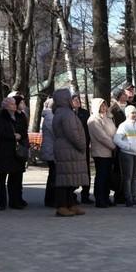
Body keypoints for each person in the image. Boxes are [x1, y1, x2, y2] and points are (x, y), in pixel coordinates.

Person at [52, 89, 88, 217]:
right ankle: (62, 206)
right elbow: (72, 133)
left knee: (70, 179)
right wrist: (81, 145)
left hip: (67, 149)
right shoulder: (66, 114)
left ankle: (70, 204)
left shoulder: (61, 112)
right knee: (65, 179)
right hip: (68, 149)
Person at [0, 97, 28, 210]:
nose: (14, 106)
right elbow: (1, 132)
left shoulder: (19, 116)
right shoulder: (2, 117)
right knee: (2, 177)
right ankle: (2, 202)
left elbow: (24, 131)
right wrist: (13, 136)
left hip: (16, 151)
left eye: (15, 104)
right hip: (5, 150)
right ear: (6, 106)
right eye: (12, 104)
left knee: (15, 177)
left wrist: (21, 136)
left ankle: (15, 201)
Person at [87, 98, 117, 208]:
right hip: (100, 151)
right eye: (101, 106)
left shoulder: (109, 117)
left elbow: (114, 131)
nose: (103, 108)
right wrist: (114, 146)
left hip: (110, 151)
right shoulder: (93, 119)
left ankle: (106, 197)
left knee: (108, 175)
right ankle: (99, 199)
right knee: (101, 175)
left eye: (105, 105)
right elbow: (101, 137)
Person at [113, 105, 136, 208]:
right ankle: (128, 199)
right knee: (128, 177)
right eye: (132, 113)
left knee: (135, 177)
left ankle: (134, 198)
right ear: (127, 114)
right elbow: (117, 139)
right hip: (127, 154)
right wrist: (126, 147)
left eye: (135, 112)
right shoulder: (124, 125)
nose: (134, 115)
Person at [72, 94, 93, 204]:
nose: (77, 102)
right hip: (73, 148)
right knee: (74, 171)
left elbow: (88, 129)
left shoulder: (84, 113)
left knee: (86, 171)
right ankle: (71, 195)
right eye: (74, 100)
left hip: (84, 146)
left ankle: (85, 194)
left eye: (78, 100)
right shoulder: (69, 113)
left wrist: (86, 143)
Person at [40, 98, 56, 207]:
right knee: (53, 175)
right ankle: (50, 199)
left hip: (51, 149)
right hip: (52, 150)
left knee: (53, 174)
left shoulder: (49, 116)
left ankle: (50, 198)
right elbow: (56, 133)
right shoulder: (50, 117)